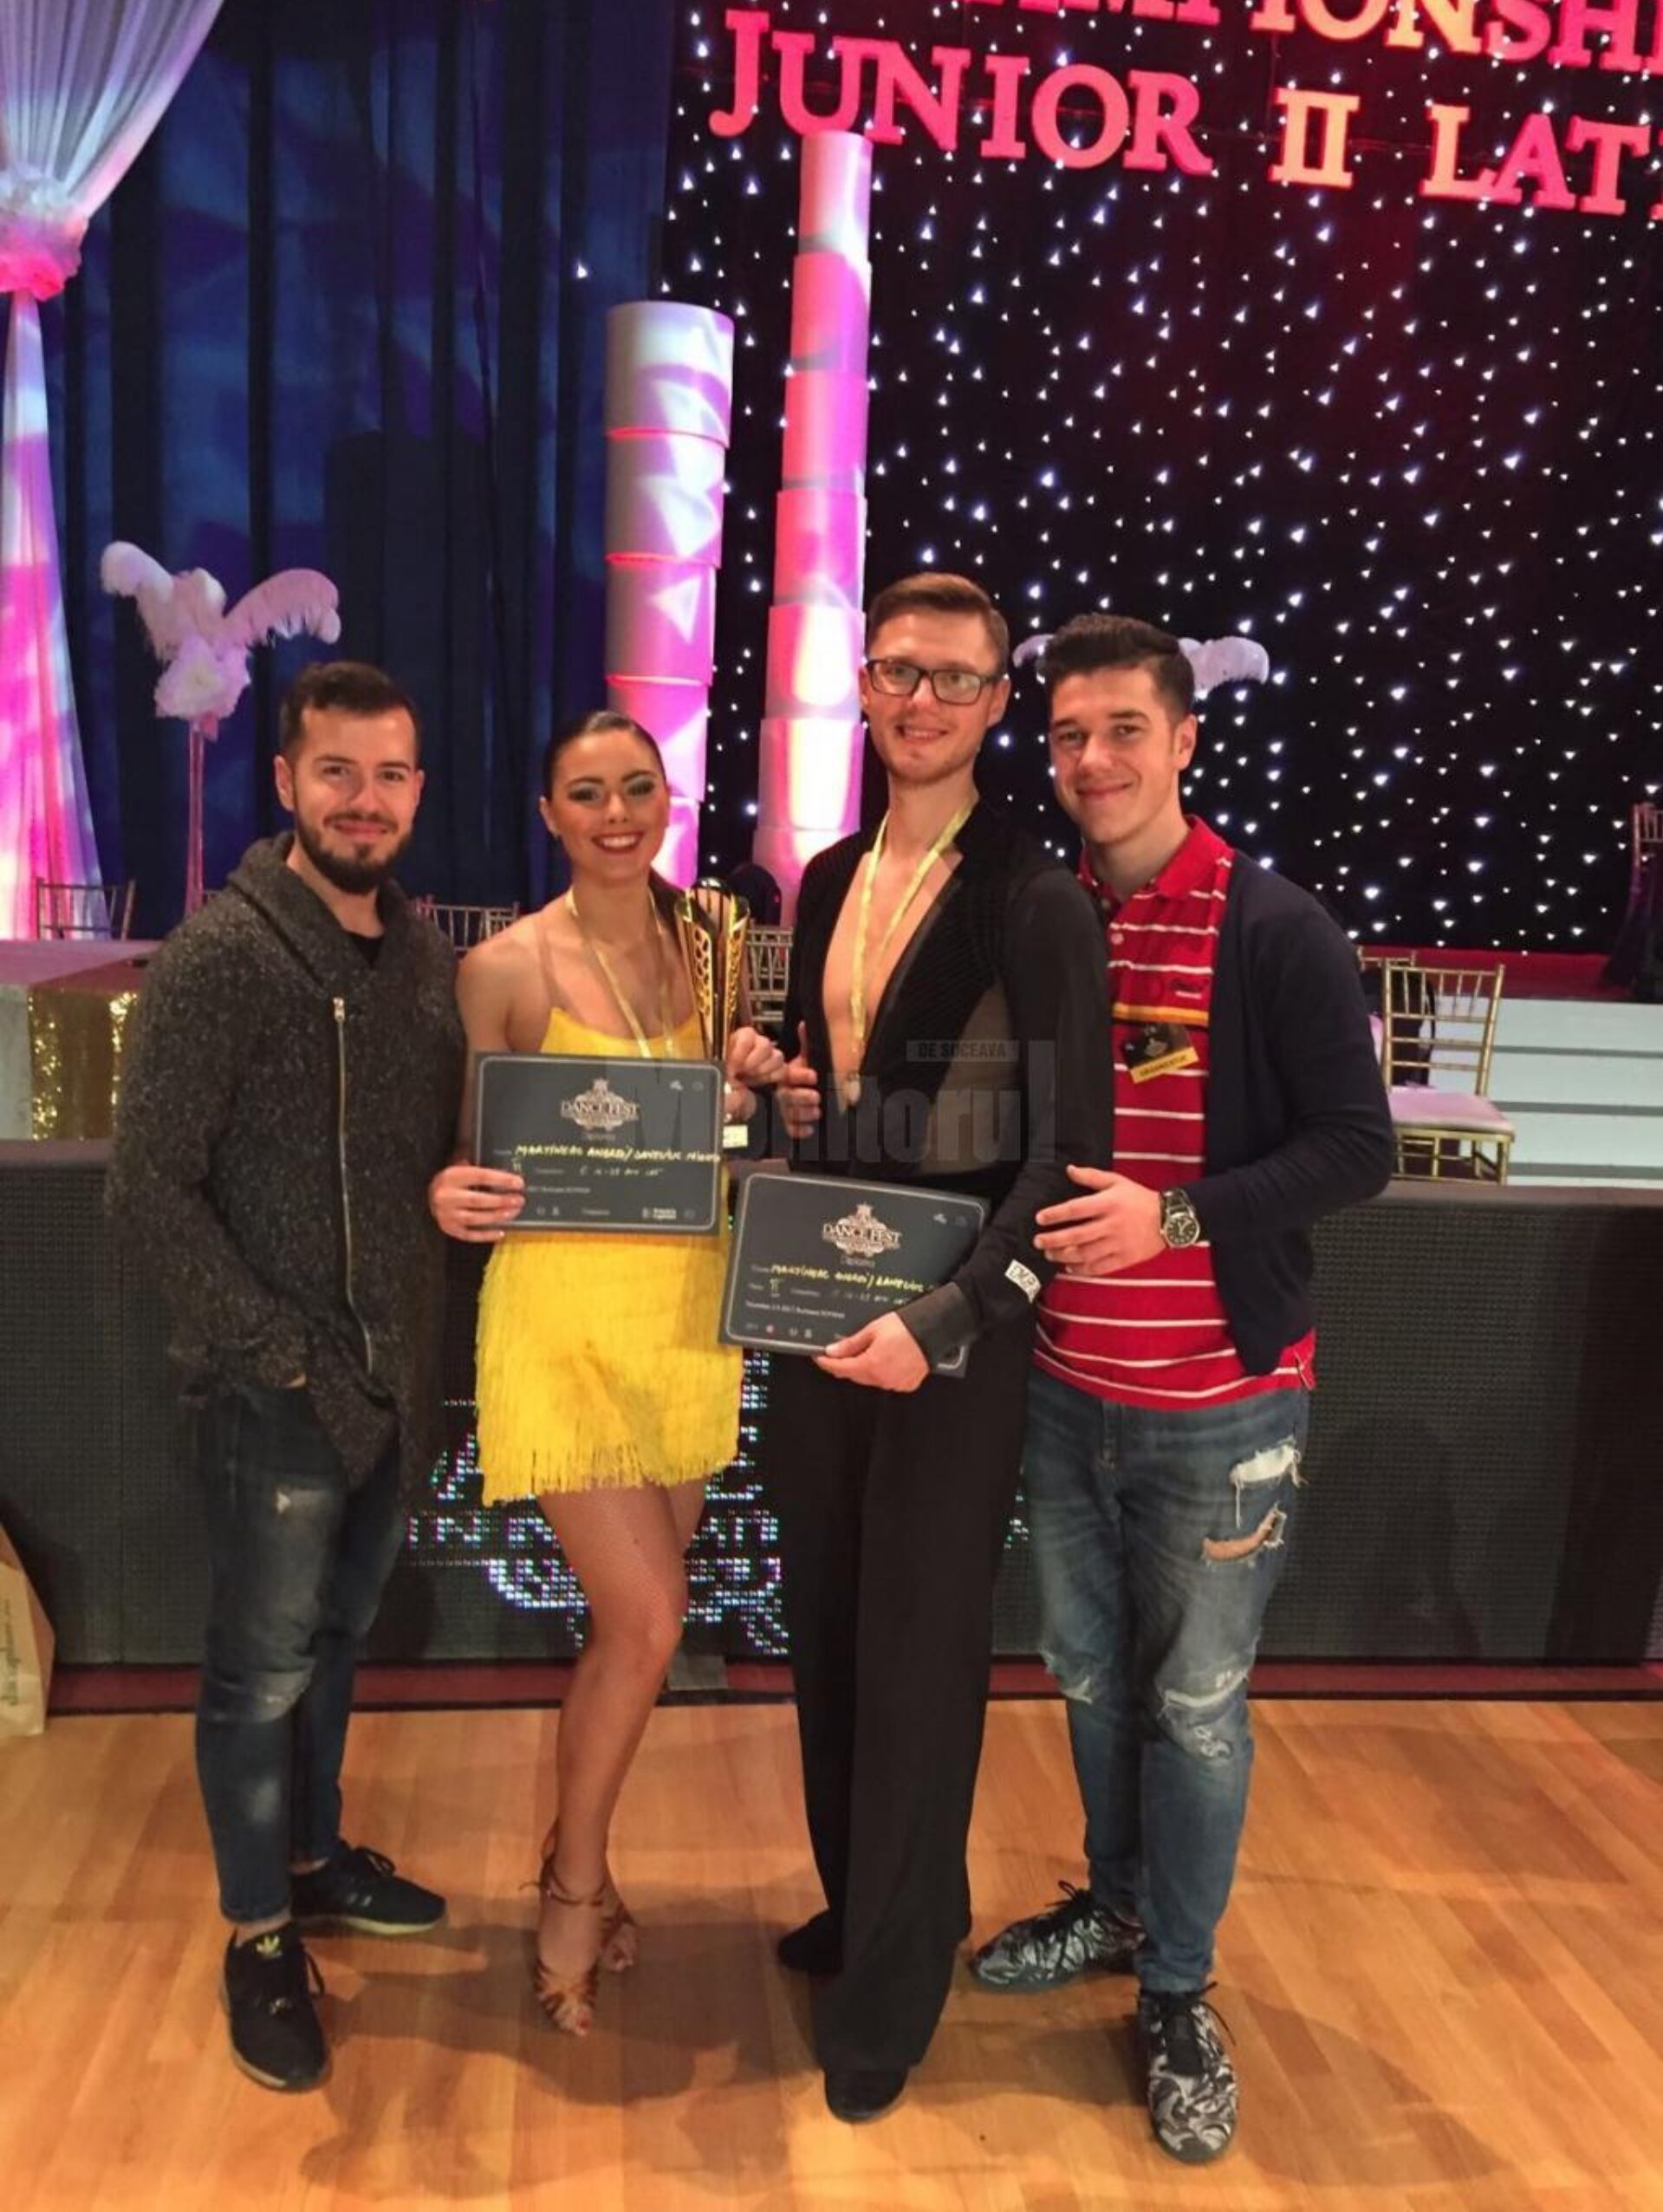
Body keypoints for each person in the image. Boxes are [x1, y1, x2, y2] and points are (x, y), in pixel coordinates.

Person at [969, 615, 1393, 2165]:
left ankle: (1176, 1990)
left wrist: (1181, 1216)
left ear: (1186, 739)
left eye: (1124, 730)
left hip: (1221, 1403)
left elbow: (1359, 1148)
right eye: (1069, 734)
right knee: (1091, 1680)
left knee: (1199, 1707)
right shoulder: (1046, 918)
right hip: (1065, 1388)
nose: (1092, 760)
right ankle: (1117, 1903)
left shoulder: (1274, 927)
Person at [764, 572, 1115, 2124]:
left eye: (955, 679)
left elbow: (1069, 1160)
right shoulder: (828, 877)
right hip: (821, 1314)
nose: (921, 700)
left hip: (953, 1340)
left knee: (915, 1659)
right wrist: (789, 1088)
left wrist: (950, 1319)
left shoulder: (1034, 900)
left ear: (996, 704)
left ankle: (891, 1995)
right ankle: (865, 1907)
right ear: (864, 681)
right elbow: (844, 1096)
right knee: (832, 1632)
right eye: (899, 671)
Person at [107, 661, 466, 2093]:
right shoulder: (219, 958)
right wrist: (279, 1351)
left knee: (333, 1643)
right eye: (337, 772)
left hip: (390, 1389)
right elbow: (146, 1191)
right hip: (275, 1393)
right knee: (258, 1673)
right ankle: (259, 1932)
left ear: (418, 789)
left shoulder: (422, 959)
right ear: (285, 782)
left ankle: (313, 1858)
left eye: (389, 774)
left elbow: (428, 1158)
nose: (363, 800)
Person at [427, 708, 782, 2037]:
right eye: (588, 792)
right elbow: (469, 1150)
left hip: (687, 1319)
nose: (617, 812)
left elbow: (729, 1126)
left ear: (667, 798)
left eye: (638, 786)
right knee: (648, 1620)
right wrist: (455, 1189)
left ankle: (586, 1859)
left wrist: (752, 1079)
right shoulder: (505, 967)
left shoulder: (714, 941)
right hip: (562, 1322)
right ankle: (571, 1884)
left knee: (626, 1634)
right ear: (550, 813)